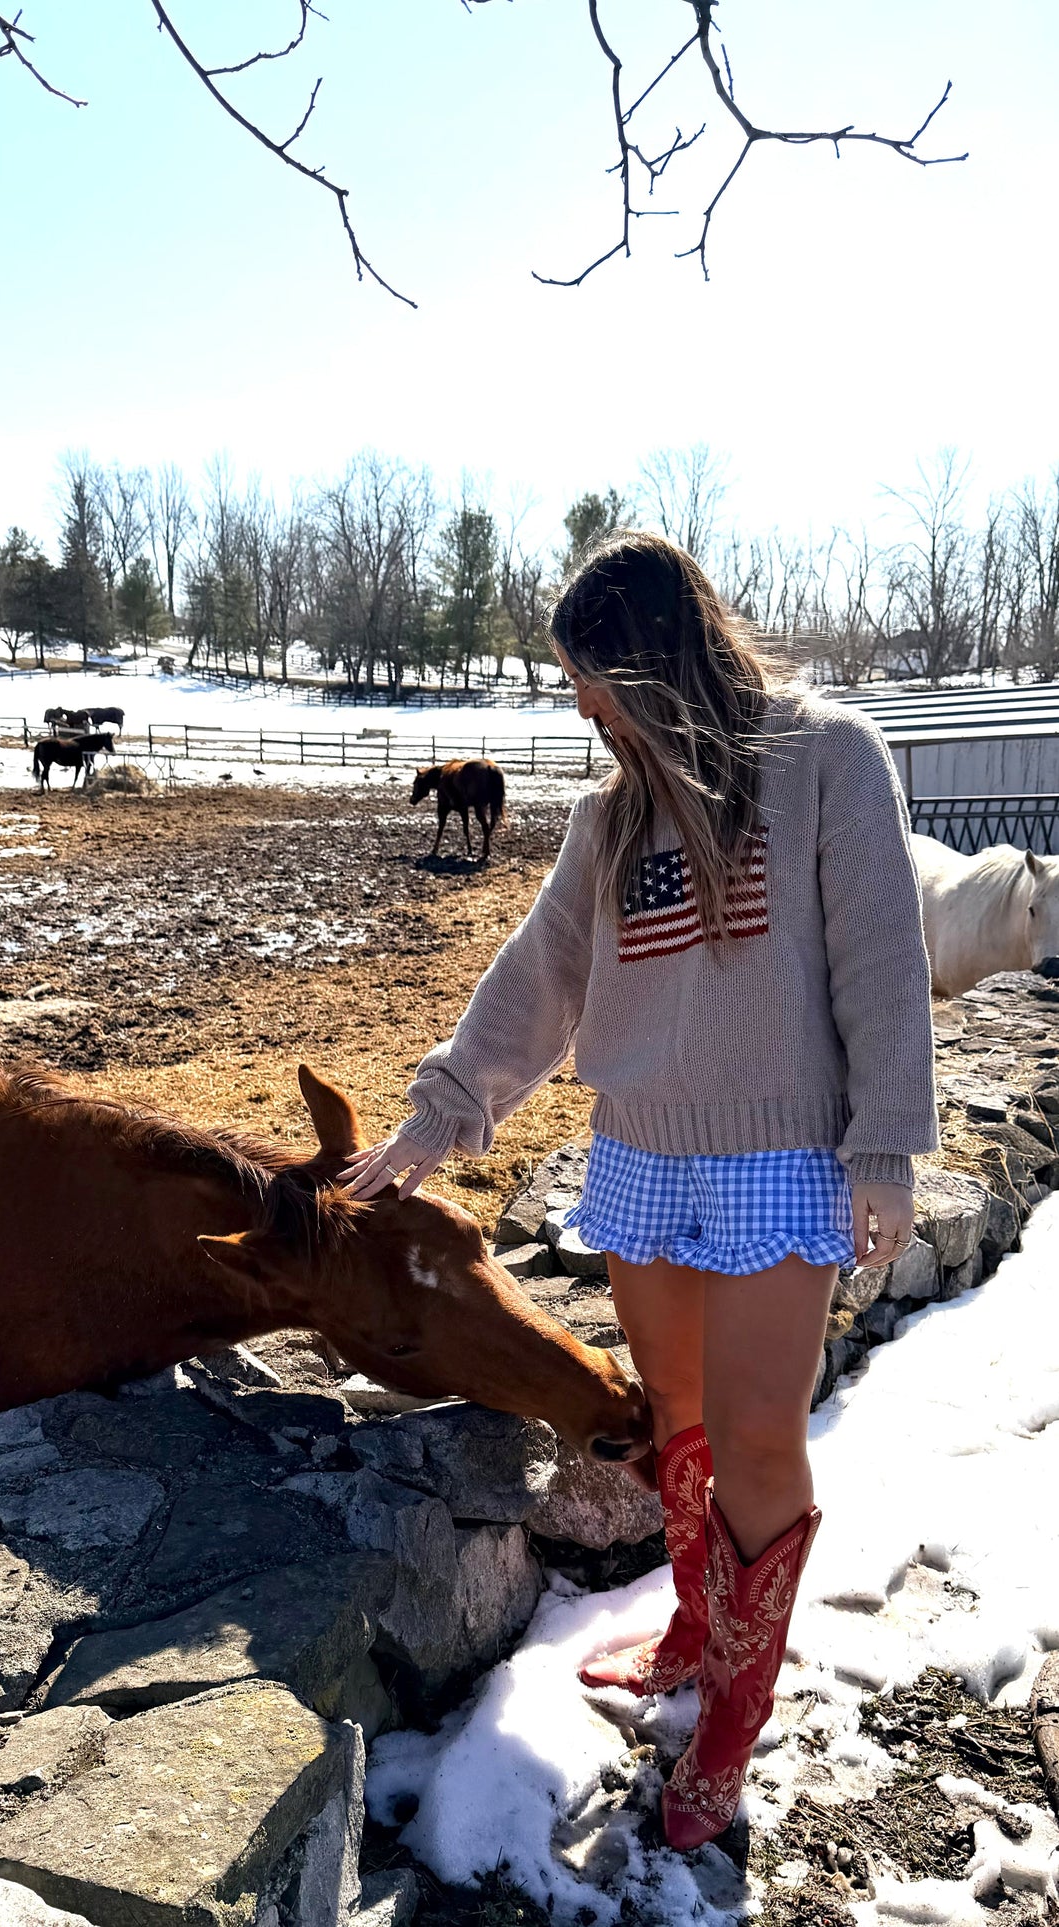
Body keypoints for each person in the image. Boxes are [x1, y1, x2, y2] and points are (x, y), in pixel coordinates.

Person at [342, 531, 936, 1851]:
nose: (578, 706)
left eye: (587, 679)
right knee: (675, 1409)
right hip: (643, 1153)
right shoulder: (611, 816)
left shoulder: (824, 757)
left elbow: (882, 955)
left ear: (651, 663)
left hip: (782, 1156)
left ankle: (733, 1714)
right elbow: (543, 970)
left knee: (758, 1430)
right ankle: (689, 1628)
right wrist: (444, 1107)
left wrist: (884, 1142)